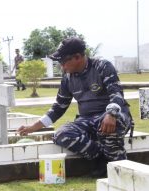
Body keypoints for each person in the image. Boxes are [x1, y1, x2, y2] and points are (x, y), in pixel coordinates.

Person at [17, 37, 133, 177]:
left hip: (111, 116)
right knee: (62, 134)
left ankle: (118, 163)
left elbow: (117, 93)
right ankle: (100, 158)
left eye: (63, 61)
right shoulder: (67, 78)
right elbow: (59, 107)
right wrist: (33, 127)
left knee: (114, 120)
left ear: (77, 57)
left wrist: (111, 113)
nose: (62, 67)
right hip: (87, 120)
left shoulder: (102, 66)